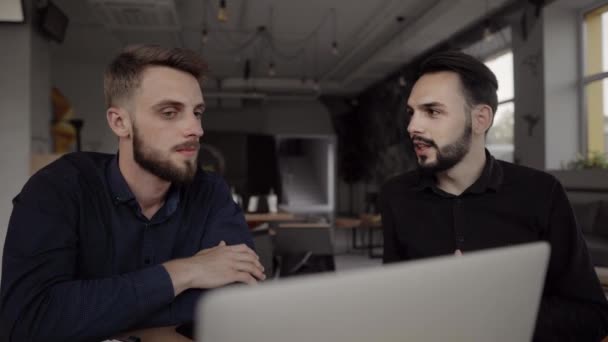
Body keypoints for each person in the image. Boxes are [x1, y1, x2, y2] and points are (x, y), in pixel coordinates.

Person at [0, 45, 265, 341]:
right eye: (169, 112)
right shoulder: (56, 189)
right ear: (120, 122)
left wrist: (96, 316)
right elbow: (26, 322)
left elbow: (238, 308)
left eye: (197, 112)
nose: (195, 129)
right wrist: (185, 272)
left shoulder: (210, 192)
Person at [380, 50, 608, 341]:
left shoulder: (541, 193)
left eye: (433, 111)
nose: (413, 127)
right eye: (412, 113)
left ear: (480, 119)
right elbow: (392, 304)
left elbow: (592, 317)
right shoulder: (396, 195)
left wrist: (492, 309)